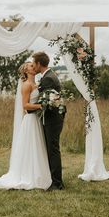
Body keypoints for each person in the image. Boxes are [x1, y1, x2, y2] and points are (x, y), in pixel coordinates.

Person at [0, 62, 52, 190]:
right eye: (30, 66)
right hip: (30, 119)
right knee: (30, 147)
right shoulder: (26, 85)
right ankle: (28, 175)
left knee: (37, 146)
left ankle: (39, 174)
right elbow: (25, 106)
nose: (33, 66)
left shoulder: (37, 84)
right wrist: (42, 106)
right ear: (25, 71)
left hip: (37, 120)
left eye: (33, 65)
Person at [32, 52, 65, 191]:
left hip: (53, 118)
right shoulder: (48, 76)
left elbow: (43, 101)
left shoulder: (48, 79)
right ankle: (52, 179)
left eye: (34, 63)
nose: (33, 66)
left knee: (53, 149)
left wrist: (29, 110)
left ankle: (57, 183)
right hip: (53, 117)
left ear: (39, 64)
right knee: (51, 148)